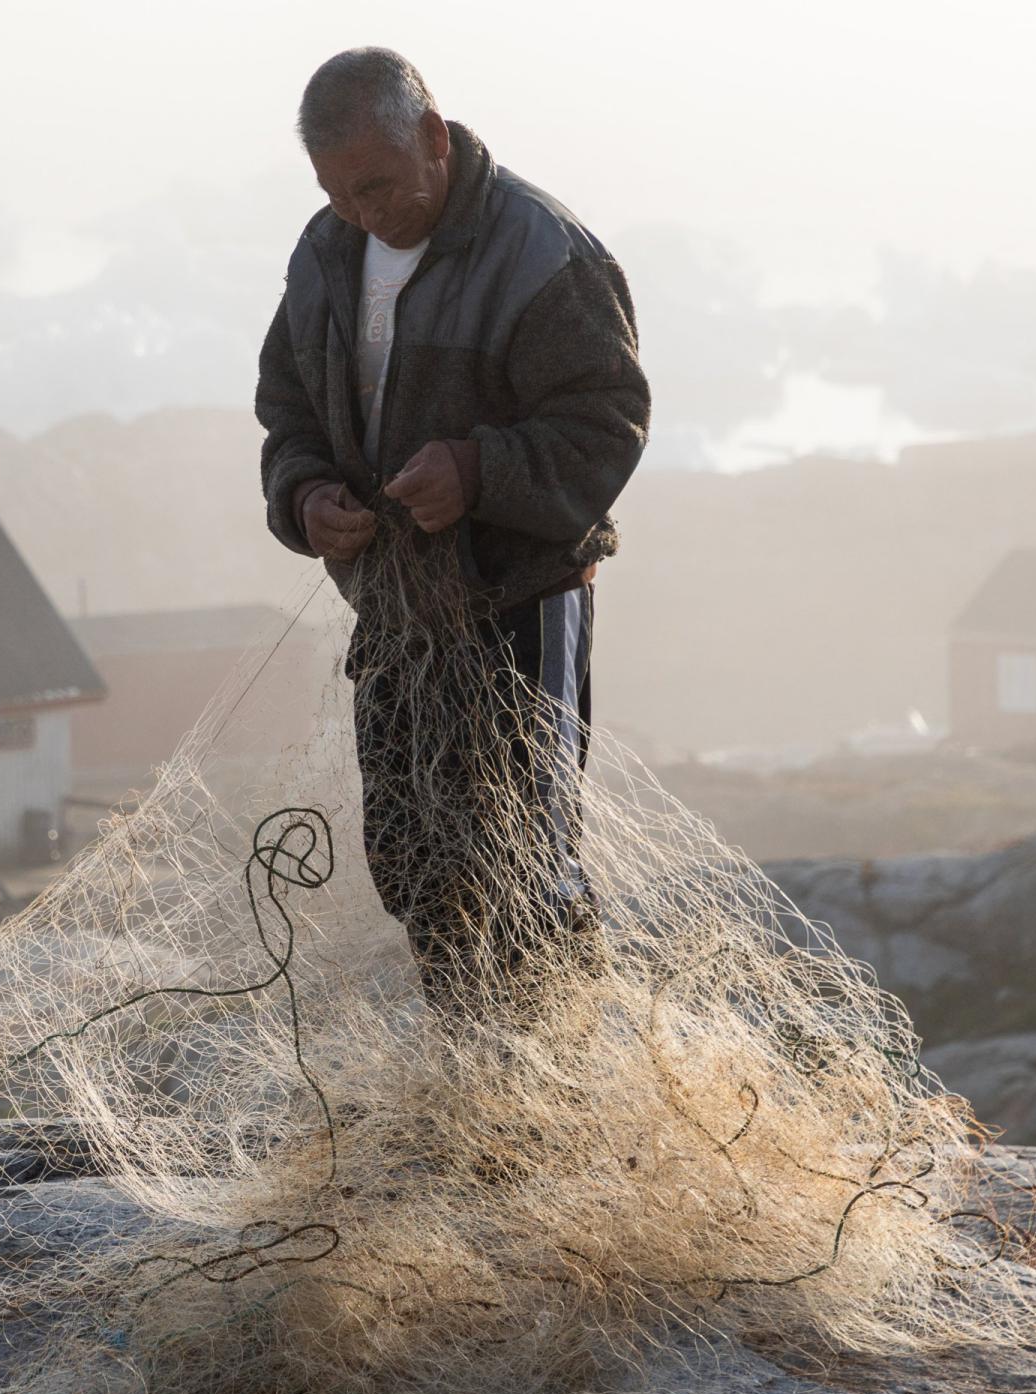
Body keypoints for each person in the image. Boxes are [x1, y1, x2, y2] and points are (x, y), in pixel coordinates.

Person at [254, 47, 650, 1020]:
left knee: (526, 860)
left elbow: (608, 424)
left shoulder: (544, 252)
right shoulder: (324, 255)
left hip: (521, 602)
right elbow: (287, 415)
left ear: (434, 138)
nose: (360, 212)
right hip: (395, 613)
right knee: (416, 862)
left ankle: (569, 1089)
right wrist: (306, 500)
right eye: (338, 192)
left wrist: (476, 472)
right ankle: (476, 1078)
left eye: (377, 186)